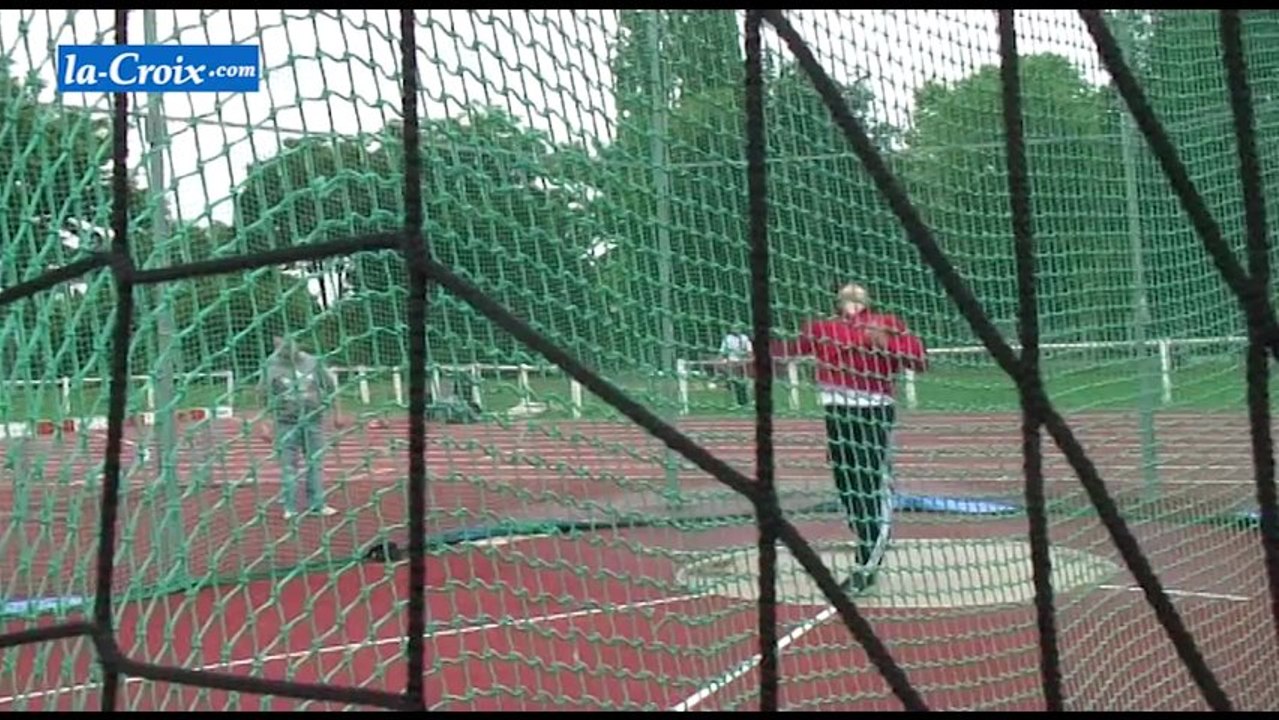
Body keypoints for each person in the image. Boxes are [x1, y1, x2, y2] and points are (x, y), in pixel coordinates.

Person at [772, 283, 928, 593]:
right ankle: (867, 535)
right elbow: (788, 351)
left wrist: (886, 343)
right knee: (847, 485)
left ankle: (866, 565)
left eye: (857, 296)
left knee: (869, 484)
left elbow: (919, 361)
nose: (852, 300)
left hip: (874, 411)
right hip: (837, 413)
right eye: (846, 296)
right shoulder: (823, 328)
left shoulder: (886, 323)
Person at [258, 334, 343, 519]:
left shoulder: (312, 362)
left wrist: (338, 413)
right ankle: (290, 507)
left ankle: (317, 504)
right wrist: (264, 424)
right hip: (286, 422)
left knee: (315, 463)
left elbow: (330, 387)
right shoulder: (271, 366)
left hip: (313, 420)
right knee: (288, 466)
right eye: (281, 347)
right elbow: (263, 395)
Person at [718, 324, 753, 407]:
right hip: (731, 361)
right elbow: (722, 351)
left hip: (742, 362)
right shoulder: (727, 338)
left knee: (745, 382)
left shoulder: (744, 338)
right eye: (734, 328)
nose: (736, 330)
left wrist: (746, 357)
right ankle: (737, 400)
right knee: (735, 381)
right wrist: (720, 360)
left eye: (738, 328)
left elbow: (749, 351)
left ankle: (746, 400)